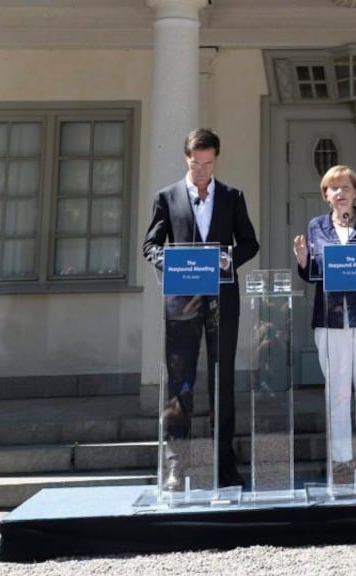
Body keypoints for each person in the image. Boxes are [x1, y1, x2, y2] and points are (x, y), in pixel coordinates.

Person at [143, 128, 259, 488]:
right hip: (181, 302)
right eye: (196, 164)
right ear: (186, 159)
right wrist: (168, 261)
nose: (202, 171)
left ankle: (225, 465)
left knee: (222, 383)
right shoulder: (168, 196)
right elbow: (151, 245)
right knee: (180, 383)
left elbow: (250, 243)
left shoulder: (232, 196)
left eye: (208, 164)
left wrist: (227, 259)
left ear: (216, 160)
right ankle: (177, 465)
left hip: (223, 300)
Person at [293, 165, 356, 481]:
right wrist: (302, 261)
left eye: (345, 187)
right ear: (325, 195)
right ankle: (340, 460)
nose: (340, 193)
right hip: (330, 317)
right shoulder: (316, 227)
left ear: (355, 193)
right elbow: (312, 274)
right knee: (337, 391)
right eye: (333, 188)